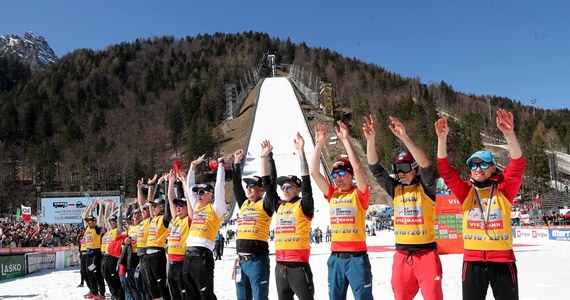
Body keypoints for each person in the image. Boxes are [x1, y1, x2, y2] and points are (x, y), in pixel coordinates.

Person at [435, 109, 526, 300]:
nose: (478, 169)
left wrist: (509, 134)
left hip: (502, 260)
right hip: (473, 262)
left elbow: (517, 166)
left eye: (483, 164)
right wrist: (442, 140)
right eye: (474, 165)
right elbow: (445, 171)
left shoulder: (504, 190)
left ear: (493, 167)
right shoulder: (466, 191)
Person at [364, 115, 442, 300]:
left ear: (414, 168)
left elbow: (425, 164)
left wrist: (405, 138)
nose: (400, 173)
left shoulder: (427, 188)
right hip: (401, 255)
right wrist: (371, 140)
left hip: (426, 255)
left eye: (405, 167)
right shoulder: (395, 189)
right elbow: (375, 168)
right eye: (397, 168)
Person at [310, 121, 373, 300]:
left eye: (341, 174)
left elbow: (360, 168)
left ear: (350, 174)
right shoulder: (332, 194)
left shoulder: (359, 194)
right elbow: (314, 173)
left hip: (357, 259)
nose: (337, 179)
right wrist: (319, 144)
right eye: (334, 175)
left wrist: (345, 140)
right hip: (336, 258)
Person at [263, 135, 315, 300]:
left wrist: (301, 152)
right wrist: (266, 157)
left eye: (289, 187)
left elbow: (307, 185)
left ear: (298, 190)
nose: (284, 190)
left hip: (298, 266)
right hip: (281, 267)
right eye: (283, 187)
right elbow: (267, 185)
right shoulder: (280, 206)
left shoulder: (303, 205)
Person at [232, 147, 276, 300]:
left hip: (257, 260)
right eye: (247, 186)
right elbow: (236, 185)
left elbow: (271, 185)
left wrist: (266, 158)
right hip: (241, 261)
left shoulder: (265, 204)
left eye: (252, 186)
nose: (248, 189)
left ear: (261, 189)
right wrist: (236, 163)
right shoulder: (244, 204)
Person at [184, 154, 228, 300]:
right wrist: (192, 167)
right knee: (191, 296)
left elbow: (220, 188)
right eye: (198, 193)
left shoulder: (216, 209)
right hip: (188, 254)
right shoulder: (197, 208)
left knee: (206, 295)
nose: (198, 195)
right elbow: (190, 188)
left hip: (202, 255)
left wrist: (221, 167)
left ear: (210, 195)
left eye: (202, 192)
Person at [166, 169, 193, 300]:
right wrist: (171, 182)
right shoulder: (175, 218)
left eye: (181, 205)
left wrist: (185, 183)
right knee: (174, 294)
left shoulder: (188, 220)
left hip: (182, 262)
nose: (178, 207)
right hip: (171, 262)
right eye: (178, 205)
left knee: (184, 295)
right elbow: (171, 200)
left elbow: (189, 200)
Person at [145, 173, 172, 300]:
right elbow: (152, 201)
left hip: (157, 254)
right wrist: (157, 184)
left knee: (161, 284)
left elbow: (168, 203)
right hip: (148, 255)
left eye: (156, 206)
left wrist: (167, 183)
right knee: (152, 286)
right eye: (153, 206)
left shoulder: (164, 218)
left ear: (161, 207)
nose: (153, 208)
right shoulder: (153, 218)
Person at [101, 200, 125, 300]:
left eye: (113, 221)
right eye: (111, 222)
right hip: (105, 256)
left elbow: (119, 219)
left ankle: (119, 295)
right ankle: (113, 294)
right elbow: (107, 218)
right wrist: (110, 206)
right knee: (106, 276)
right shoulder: (109, 231)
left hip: (113, 257)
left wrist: (118, 209)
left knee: (113, 277)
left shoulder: (118, 231)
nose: (111, 223)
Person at [82, 201, 106, 300]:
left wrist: (100, 205)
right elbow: (84, 216)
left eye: (90, 221)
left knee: (96, 272)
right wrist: (90, 206)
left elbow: (100, 217)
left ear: (94, 222)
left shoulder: (97, 229)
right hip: (89, 253)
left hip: (96, 253)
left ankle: (102, 293)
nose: (88, 222)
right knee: (88, 272)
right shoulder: (87, 228)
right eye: (88, 221)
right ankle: (93, 291)